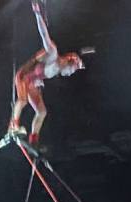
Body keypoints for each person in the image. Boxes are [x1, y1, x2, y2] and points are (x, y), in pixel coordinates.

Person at [9, 1, 84, 146]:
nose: (69, 74)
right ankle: (14, 125)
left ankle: (34, 140)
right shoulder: (53, 54)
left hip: (32, 83)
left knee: (42, 112)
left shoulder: (58, 69)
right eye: (71, 71)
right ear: (69, 62)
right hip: (23, 76)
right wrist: (38, 14)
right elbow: (44, 34)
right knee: (23, 100)